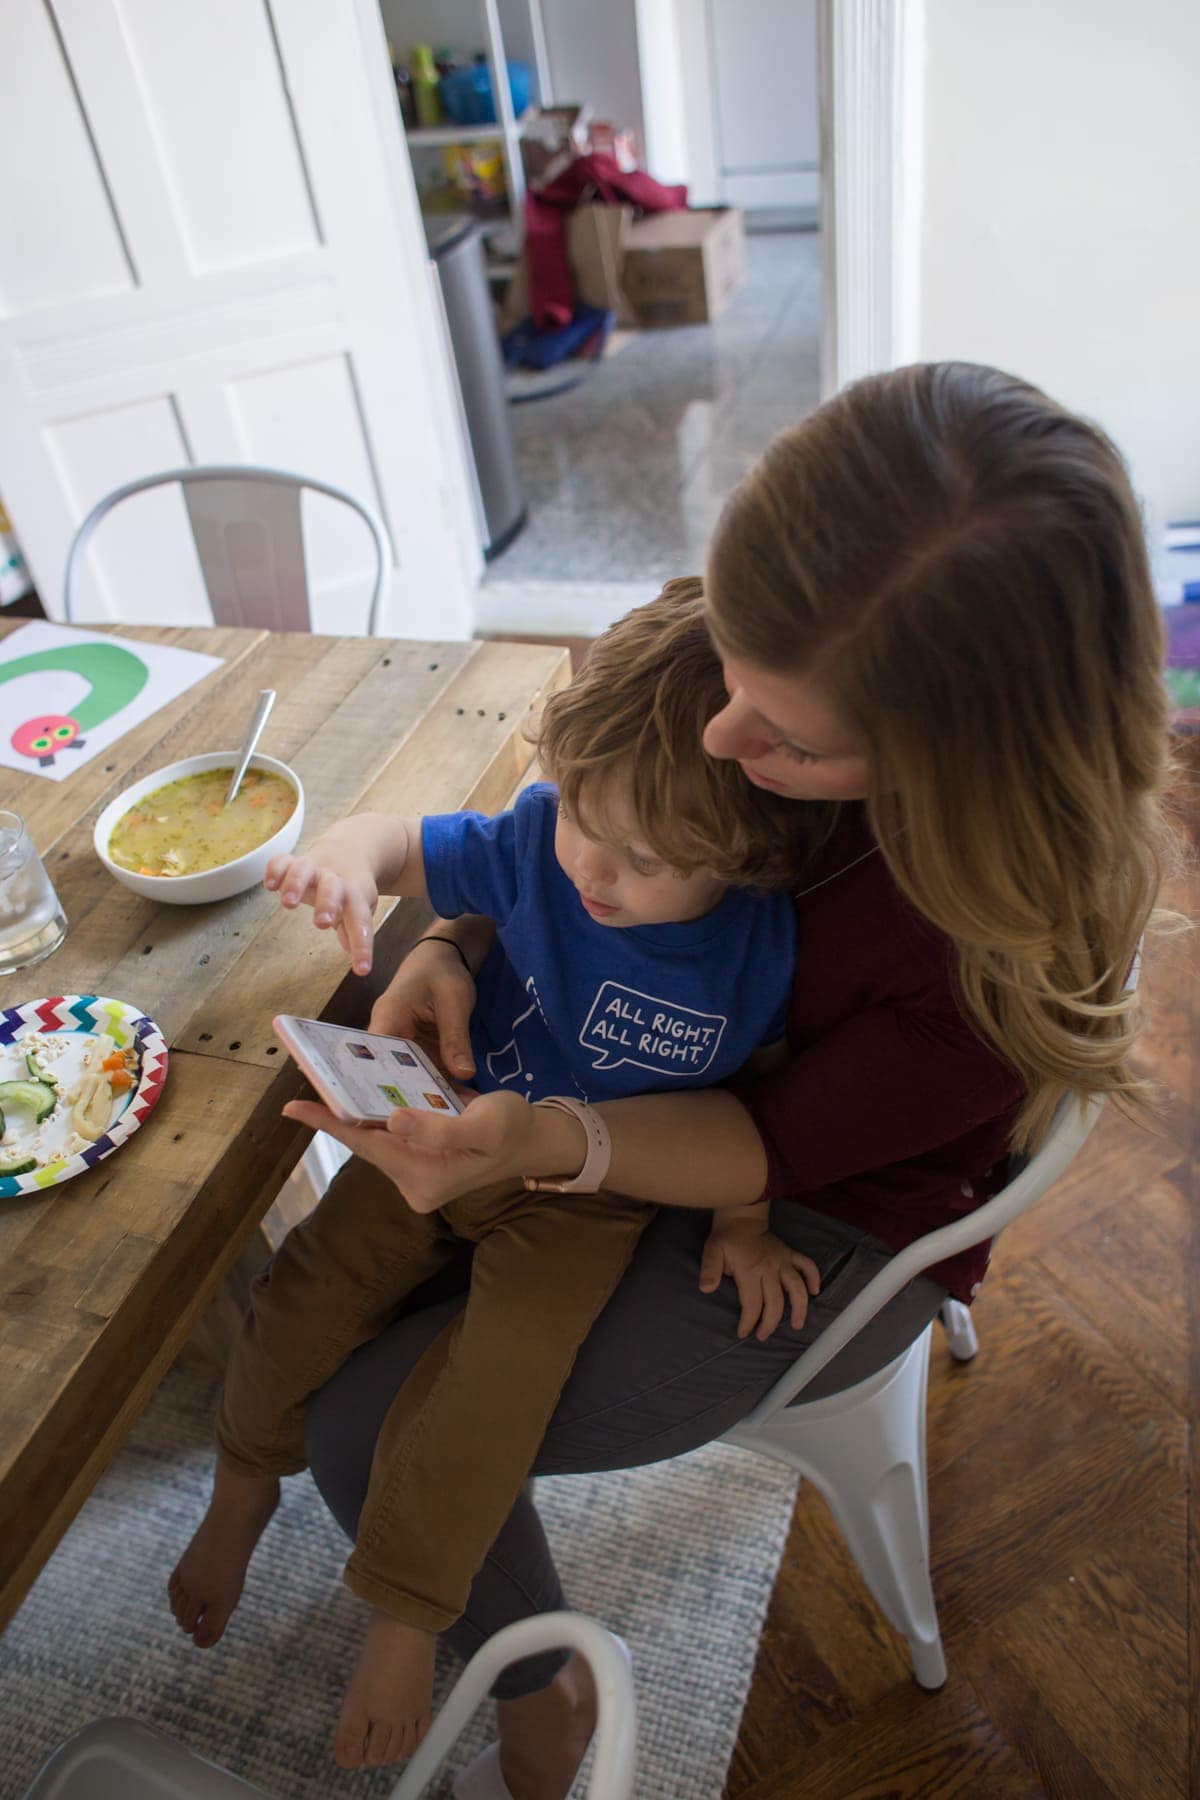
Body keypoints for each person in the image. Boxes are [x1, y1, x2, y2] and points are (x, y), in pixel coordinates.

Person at [252, 362, 1177, 1800]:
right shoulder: (804, 654)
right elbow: (581, 835)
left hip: (816, 1215)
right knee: (356, 1241)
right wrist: (459, 933)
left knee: (363, 1427)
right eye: (734, 672)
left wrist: (542, 1139)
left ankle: (541, 1683)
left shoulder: (977, 957)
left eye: (790, 741)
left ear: (958, 766)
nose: (724, 741)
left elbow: (762, 1141)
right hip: (642, 1070)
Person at [167, 587, 815, 1771]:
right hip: (445, 1115)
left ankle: (413, 1614)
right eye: (588, 826)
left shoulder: (758, 944)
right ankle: (241, 1480)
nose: (599, 878)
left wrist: (745, 1218)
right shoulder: (533, 836)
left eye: (652, 861)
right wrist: (343, 864)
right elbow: (399, 840)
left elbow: (761, 1095)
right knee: (309, 1283)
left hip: (593, 1195)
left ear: (748, 855)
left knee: (500, 1378)